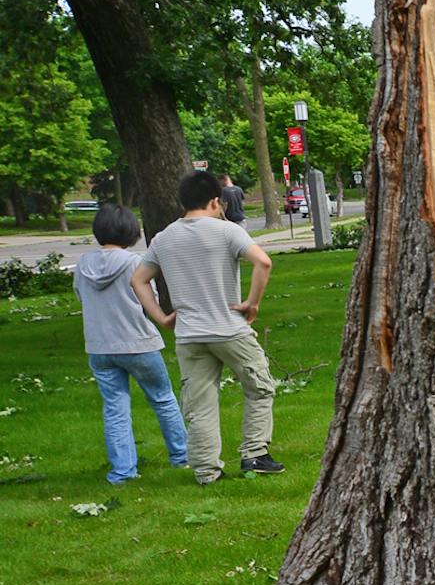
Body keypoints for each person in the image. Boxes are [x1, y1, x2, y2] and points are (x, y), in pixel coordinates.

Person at [131, 169, 283, 484]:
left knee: (199, 404)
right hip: (229, 328)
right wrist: (252, 304)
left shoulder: (164, 238)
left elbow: (138, 280)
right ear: (216, 201)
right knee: (260, 386)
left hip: (189, 334)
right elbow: (263, 262)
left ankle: (205, 471)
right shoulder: (227, 231)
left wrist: (161, 317)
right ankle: (254, 453)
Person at [73, 204, 188, 484]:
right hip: (138, 343)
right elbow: (150, 299)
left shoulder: (83, 264)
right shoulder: (135, 263)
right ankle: (182, 457)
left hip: (100, 346)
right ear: (131, 232)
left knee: (115, 407)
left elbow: (81, 297)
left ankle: (123, 471)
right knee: (163, 399)